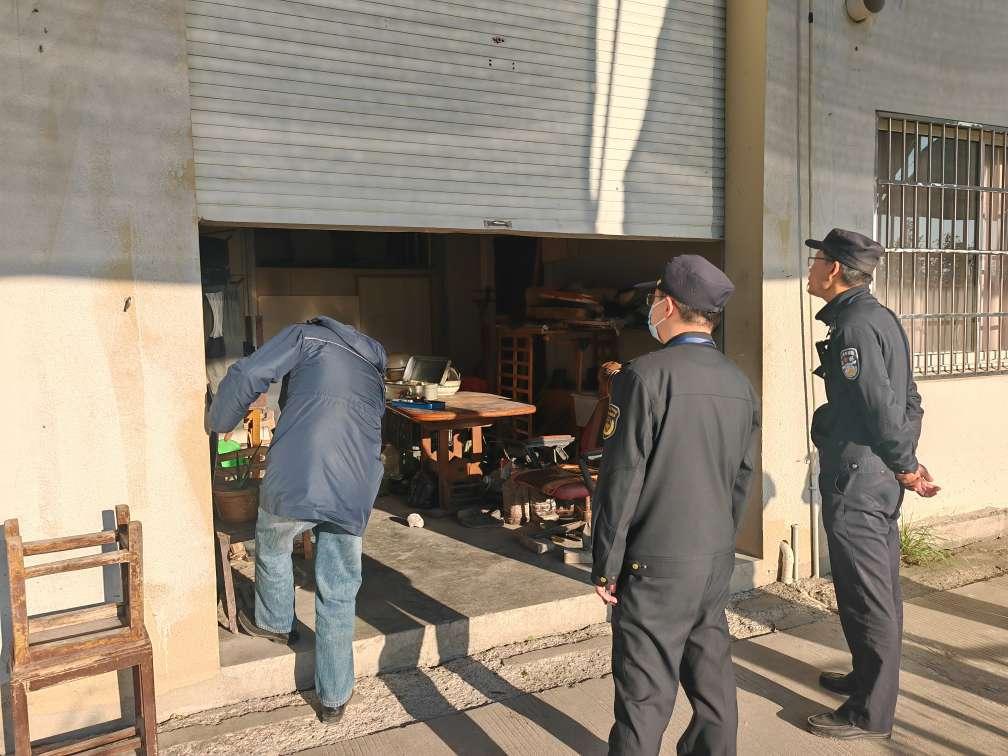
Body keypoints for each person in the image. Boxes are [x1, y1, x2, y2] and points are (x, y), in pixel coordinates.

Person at [592, 255, 760, 756]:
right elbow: (741, 478)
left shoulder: (644, 376)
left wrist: (606, 565)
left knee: (644, 695)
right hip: (712, 557)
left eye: (652, 299)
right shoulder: (739, 383)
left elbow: (622, 479)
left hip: (656, 563)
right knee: (712, 683)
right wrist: (720, 542)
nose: (650, 308)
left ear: (666, 305)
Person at [209, 316, 387, 724]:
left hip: (299, 474)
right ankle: (334, 698)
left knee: (272, 542)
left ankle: (276, 621)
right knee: (339, 589)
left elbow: (249, 372)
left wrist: (219, 421)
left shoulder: (307, 336)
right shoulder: (372, 368)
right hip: (355, 486)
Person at [805, 228, 940, 740]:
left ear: (835, 269)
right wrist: (904, 460)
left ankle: (869, 713)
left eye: (817, 260)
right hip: (875, 471)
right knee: (875, 587)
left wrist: (903, 464)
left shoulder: (855, 327)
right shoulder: (877, 317)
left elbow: (882, 405)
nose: (811, 269)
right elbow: (909, 400)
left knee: (867, 594)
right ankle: (867, 680)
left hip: (860, 477)